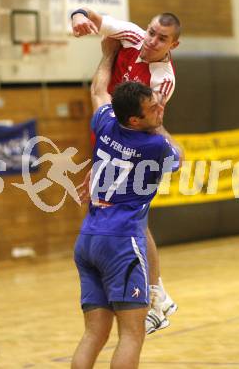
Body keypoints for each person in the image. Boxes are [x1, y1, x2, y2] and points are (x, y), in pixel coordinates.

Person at [72, 38, 182, 369]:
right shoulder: (154, 147)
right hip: (121, 242)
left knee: (93, 335)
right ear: (135, 120)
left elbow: (98, 91)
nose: (159, 109)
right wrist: (161, 125)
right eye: (152, 109)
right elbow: (180, 156)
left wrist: (107, 56)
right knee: (133, 335)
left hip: (88, 240)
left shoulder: (105, 121)